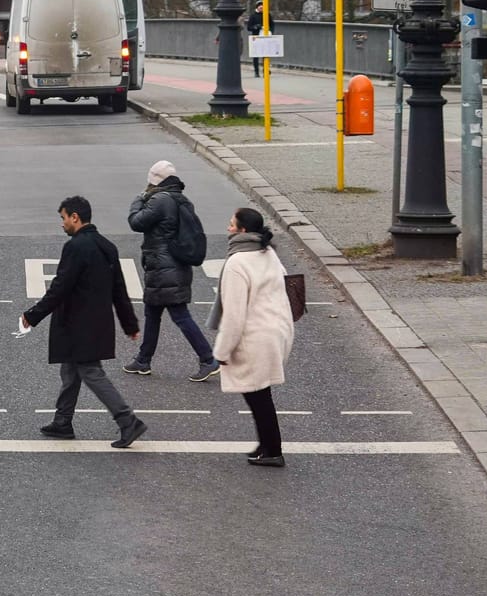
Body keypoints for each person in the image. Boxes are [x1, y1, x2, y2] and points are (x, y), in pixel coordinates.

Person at [21, 195, 147, 447]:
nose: (62, 223)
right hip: (95, 323)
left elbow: (60, 287)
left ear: (75, 217)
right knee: (70, 370)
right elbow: (119, 289)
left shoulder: (76, 247)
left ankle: (127, 420)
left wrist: (33, 315)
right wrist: (129, 323)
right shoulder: (107, 246)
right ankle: (62, 421)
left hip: (77, 324)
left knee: (90, 372)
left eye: (63, 218)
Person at [209, 208, 295, 466]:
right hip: (277, 331)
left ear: (243, 230)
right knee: (260, 394)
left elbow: (234, 316)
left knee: (258, 396)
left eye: (231, 224)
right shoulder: (268, 252)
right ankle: (266, 445)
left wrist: (221, 352)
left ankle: (272, 452)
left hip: (255, 337)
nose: (228, 228)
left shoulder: (237, 263)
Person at [123, 160, 220, 381]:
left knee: (180, 315)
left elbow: (136, 222)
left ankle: (208, 358)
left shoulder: (159, 199)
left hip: (164, 266)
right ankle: (143, 360)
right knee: (152, 312)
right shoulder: (179, 198)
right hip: (173, 265)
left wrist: (138, 199)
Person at [245, 0, 266, 75]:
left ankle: (265, 70)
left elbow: (272, 24)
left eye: (263, 6)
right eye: (260, 6)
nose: (261, 8)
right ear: (257, 7)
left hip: (265, 36)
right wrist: (256, 27)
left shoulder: (266, 14)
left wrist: (270, 30)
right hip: (256, 37)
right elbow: (249, 27)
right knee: (256, 55)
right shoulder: (253, 16)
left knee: (265, 54)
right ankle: (256, 71)